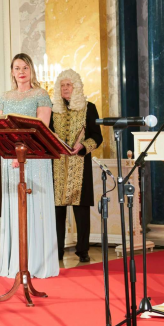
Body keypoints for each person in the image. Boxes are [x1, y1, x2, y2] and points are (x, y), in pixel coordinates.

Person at [0, 53, 59, 279]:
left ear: (31, 70)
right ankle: (15, 262)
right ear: (12, 72)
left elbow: (41, 129)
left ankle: (36, 263)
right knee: (15, 205)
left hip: (34, 158)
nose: (21, 72)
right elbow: (1, 128)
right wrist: (10, 152)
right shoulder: (5, 96)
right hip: (10, 159)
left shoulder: (41, 94)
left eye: (25, 67)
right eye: (17, 68)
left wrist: (21, 154)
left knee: (34, 206)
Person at [49, 69, 102, 262]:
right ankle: (57, 251)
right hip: (57, 165)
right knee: (57, 212)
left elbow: (97, 136)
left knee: (81, 212)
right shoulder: (52, 109)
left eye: (68, 85)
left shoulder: (89, 108)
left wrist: (83, 146)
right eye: (62, 85)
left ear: (76, 87)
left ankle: (83, 251)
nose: (65, 88)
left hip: (80, 164)